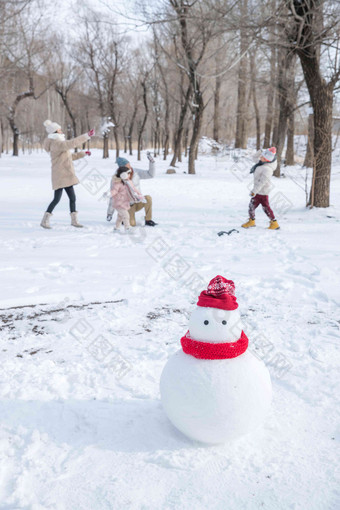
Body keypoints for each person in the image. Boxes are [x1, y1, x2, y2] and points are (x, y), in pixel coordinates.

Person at [40, 120, 95, 229]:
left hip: (66, 175)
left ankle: (74, 221)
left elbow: (69, 157)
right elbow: (71, 143)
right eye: (59, 129)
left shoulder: (59, 143)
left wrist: (83, 153)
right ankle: (44, 220)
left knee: (72, 198)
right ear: (55, 131)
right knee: (57, 199)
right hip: (60, 175)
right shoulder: (56, 143)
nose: (61, 131)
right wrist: (86, 135)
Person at [107, 152, 157, 226]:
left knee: (148, 198)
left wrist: (152, 162)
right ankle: (124, 218)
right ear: (122, 168)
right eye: (127, 166)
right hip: (127, 206)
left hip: (138, 201)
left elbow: (150, 175)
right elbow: (113, 196)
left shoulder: (136, 172)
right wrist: (110, 213)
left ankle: (148, 220)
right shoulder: (116, 179)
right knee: (132, 224)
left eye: (129, 164)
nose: (130, 167)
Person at [242, 147, 280, 230]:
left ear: (267, 160)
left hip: (262, 192)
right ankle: (252, 221)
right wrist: (261, 151)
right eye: (261, 156)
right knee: (252, 206)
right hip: (258, 192)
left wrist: (254, 191)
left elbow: (262, 182)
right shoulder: (261, 163)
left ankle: (274, 223)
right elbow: (254, 157)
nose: (260, 158)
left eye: (262, 157)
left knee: (265, 208)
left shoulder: (267, 169)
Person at [111, 166, 146, 233]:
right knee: (126, 215)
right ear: (123, 175)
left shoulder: (128, 182)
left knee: (120, 217)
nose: (130, 175)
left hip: (124, 203)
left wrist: (140, 196)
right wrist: (109, 194)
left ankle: (116, 229)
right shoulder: (118, 183)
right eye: (128, 173)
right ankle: (127, 228)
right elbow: (114, 191)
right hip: (119, 203)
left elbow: (134, 189)